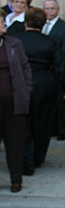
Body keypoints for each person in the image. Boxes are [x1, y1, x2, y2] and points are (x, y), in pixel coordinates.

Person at [13, 8, 65, 174]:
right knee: (43, 124)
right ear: (42, 23)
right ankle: (38, 158)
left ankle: (26, 161)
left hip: (20, 86)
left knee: (22, 124)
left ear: (26, 21)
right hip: (45, 86)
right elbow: (60, 67)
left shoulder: (15, 41)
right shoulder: (50, 43)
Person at [0, 15, 31, 192]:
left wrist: (26, 91)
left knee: (15, 143)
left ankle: (16, 180)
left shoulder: (14, 43)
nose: (5, 24)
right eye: (1, 21)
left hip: (13, 102)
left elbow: (25, 67)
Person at [42, 0, 65, 140]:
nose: (49, 11)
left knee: (63, 101)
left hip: (60, 70)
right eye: (47, 8)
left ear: (58, 10)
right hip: (45, 72)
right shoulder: (41, 26)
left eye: (52, 8)